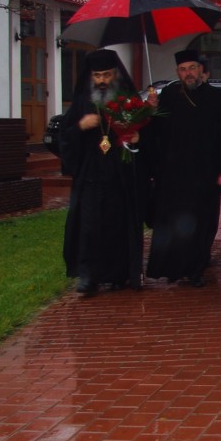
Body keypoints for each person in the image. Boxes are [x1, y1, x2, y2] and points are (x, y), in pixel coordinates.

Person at [144, 48, 221, 286]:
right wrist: (151, 112)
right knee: (172, 223)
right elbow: (157, 132)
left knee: (201, 224)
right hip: (172, 174)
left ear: (201, 70)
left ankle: (196, 269)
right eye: (183, 69)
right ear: (178, 72)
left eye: (192, 68)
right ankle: (173, 268)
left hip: (205, 173)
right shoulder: (169, 95)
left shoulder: (217, 98)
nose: (188, 73)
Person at [59, 49, 146, 295]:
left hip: (120, 174)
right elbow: (64, 137)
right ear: (90, 76)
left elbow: (148, 136)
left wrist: (138, 138)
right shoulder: (81, 102)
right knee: (89, 226)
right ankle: (89, 277)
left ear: (115, 74)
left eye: (107, 75)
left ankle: (119, 274)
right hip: (91, 175)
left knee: (118, 225)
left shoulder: (128, 100)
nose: (102, 80)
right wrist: (80, 126)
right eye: (97, 76)